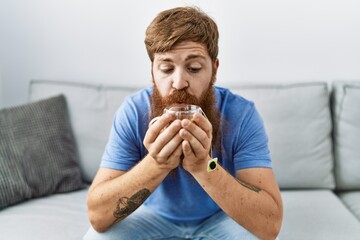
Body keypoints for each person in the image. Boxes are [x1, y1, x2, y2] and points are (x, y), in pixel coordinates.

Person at [84, 6, 283, 240]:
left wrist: (204, 167)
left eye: (194, 68)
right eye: (167, 69)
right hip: (151, 217)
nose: (179, 82)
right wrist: (156, 163)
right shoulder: (133, 112)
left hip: (220, 217)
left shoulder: (242, 114)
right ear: (152, 72)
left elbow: (270, 225)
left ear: (214, 70)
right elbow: (97, 217)